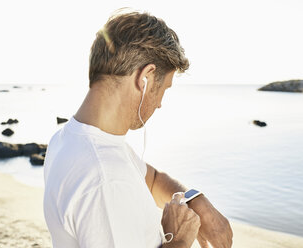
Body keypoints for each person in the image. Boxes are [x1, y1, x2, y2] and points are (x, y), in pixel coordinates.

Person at [43, 10, 233, 248]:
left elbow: (151, 180)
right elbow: (113, 181)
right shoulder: (104, 178)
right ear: (145, 77)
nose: (160, 103)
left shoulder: (69, 138)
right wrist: (180, 239)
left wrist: (196, 201)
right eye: (164, 88)